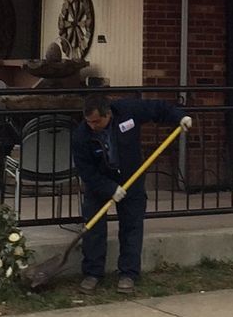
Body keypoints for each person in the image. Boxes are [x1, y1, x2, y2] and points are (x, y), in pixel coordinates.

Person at [70, 92, 189, 293]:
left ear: (107, 114)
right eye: (89, 122)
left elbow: (157, 108)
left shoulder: (128, 112)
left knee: (132, 226)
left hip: (130, 177)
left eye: (96, 121)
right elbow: (86, 171)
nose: (92, 126)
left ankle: (128, 274)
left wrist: (180, 117)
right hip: (99, 183)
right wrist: (110, 189)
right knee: (93, 228)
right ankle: (92, 273)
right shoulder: (81, 135)